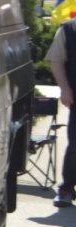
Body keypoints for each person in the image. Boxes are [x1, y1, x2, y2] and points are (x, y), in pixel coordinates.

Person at [44, 19, 76, 206]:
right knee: (75, 146)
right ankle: (66, 188)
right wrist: (64, 88)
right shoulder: (68, 30)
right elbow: (56, 60)